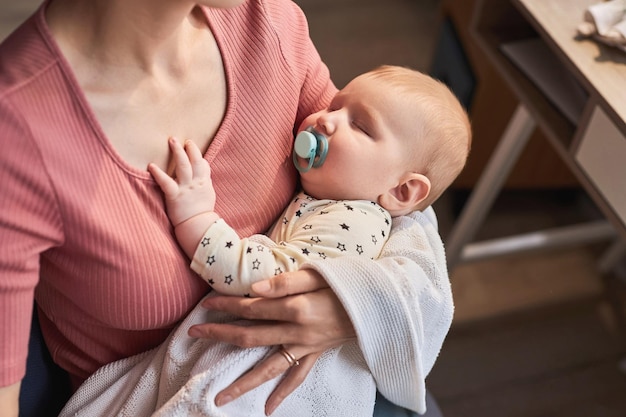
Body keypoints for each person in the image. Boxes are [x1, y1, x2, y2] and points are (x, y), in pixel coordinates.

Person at [0, 0, 454, 416]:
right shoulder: (16, 137)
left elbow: (393, 192)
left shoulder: (267, 21)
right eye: (337, 110)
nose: (327, 120)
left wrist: (356, 307)